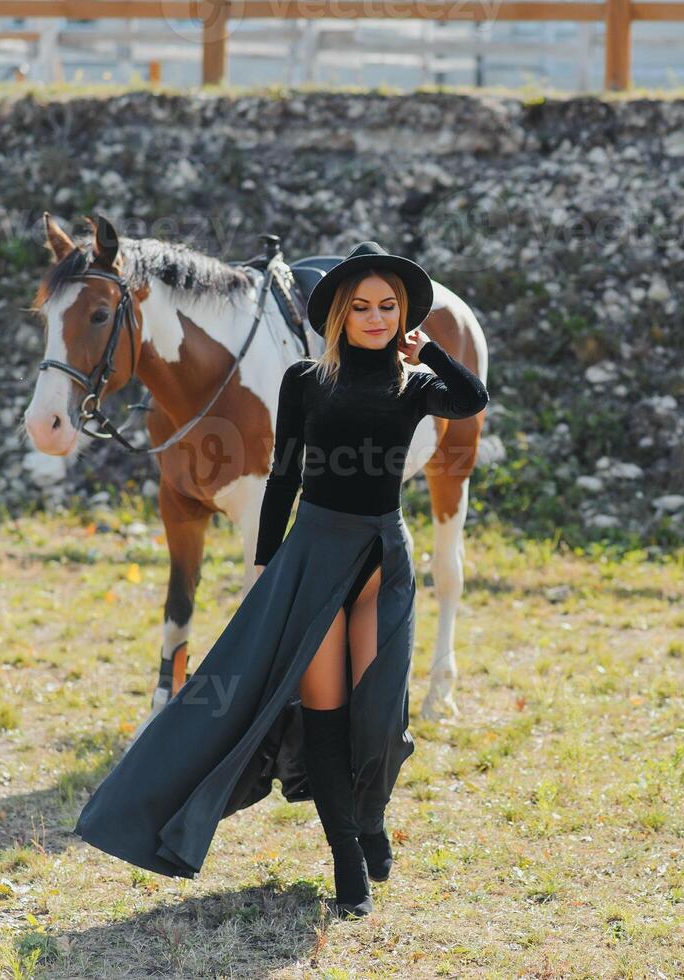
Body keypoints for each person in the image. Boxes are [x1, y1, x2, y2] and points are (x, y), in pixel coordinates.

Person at [71, 241, 489, 920]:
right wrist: (269, 562)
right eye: (362, 307)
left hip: (383, 559)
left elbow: (472, 396)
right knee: (322, 718)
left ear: (402, 316)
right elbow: (284, 480)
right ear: (340, 317)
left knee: (381, 718)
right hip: (314, 554)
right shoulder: (303, 380)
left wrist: (429, 350)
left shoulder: (414, 388)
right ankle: (346, 860)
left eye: (388, 307)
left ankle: (371, 817)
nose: (376, 317)